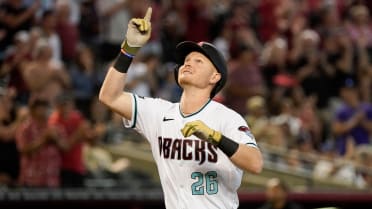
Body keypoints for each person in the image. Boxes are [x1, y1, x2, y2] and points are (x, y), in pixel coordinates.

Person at [99, 7, 263, 209]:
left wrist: (214, 136)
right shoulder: (159, 113)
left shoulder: (227, 118)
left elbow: (255, 163)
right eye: (186, 60)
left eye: (198, 61)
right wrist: (129, 49)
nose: (188, 64)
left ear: (215, 77)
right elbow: (109, 96)